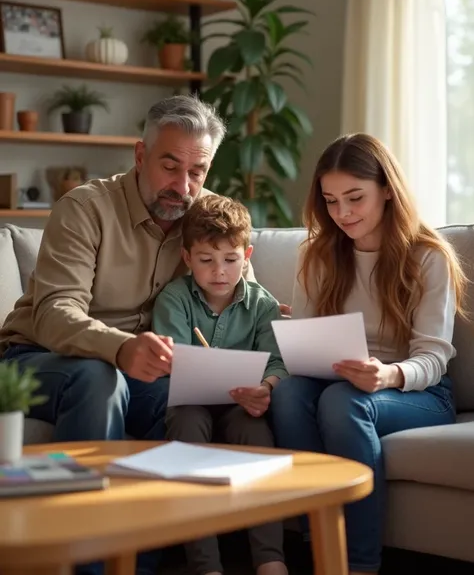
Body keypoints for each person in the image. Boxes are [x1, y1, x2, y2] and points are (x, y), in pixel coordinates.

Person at [0, 95, 228, 575]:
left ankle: (137, 563)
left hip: (139, 369)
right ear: (140, 155)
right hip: (36, 359)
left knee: (186, 403)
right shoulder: (85, 208)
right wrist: (120, 348)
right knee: (99, 379)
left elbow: (236, 287)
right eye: (170, 166)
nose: (182, 186)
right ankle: (85, 565)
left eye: (197, 172)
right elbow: (55, 313)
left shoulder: (206, 216)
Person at [269, 133, 467, 575]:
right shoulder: (318, 254)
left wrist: (388, 374)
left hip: (418, 391)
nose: (342, 213)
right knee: (289, 395)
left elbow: (433, 359)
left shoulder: (429, 256)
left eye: (355, 198)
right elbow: (305, 339)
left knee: (342, 402)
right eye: (331, 200)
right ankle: (313, 542)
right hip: (338, 380)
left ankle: (358, 564)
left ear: (386, 190)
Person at [153, 195, 288, 575]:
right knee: (185, 430)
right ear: (187, 257)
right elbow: (172, 360)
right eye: (206, 260)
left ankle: (270, 558)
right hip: (190, 402)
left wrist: (267, 387)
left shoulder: (263, 305)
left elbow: (278, 360)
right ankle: (205, 564)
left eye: (230, 260)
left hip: (241, 404)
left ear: (247, 255)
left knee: (257, 434)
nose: (219, 272)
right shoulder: (175, 299)